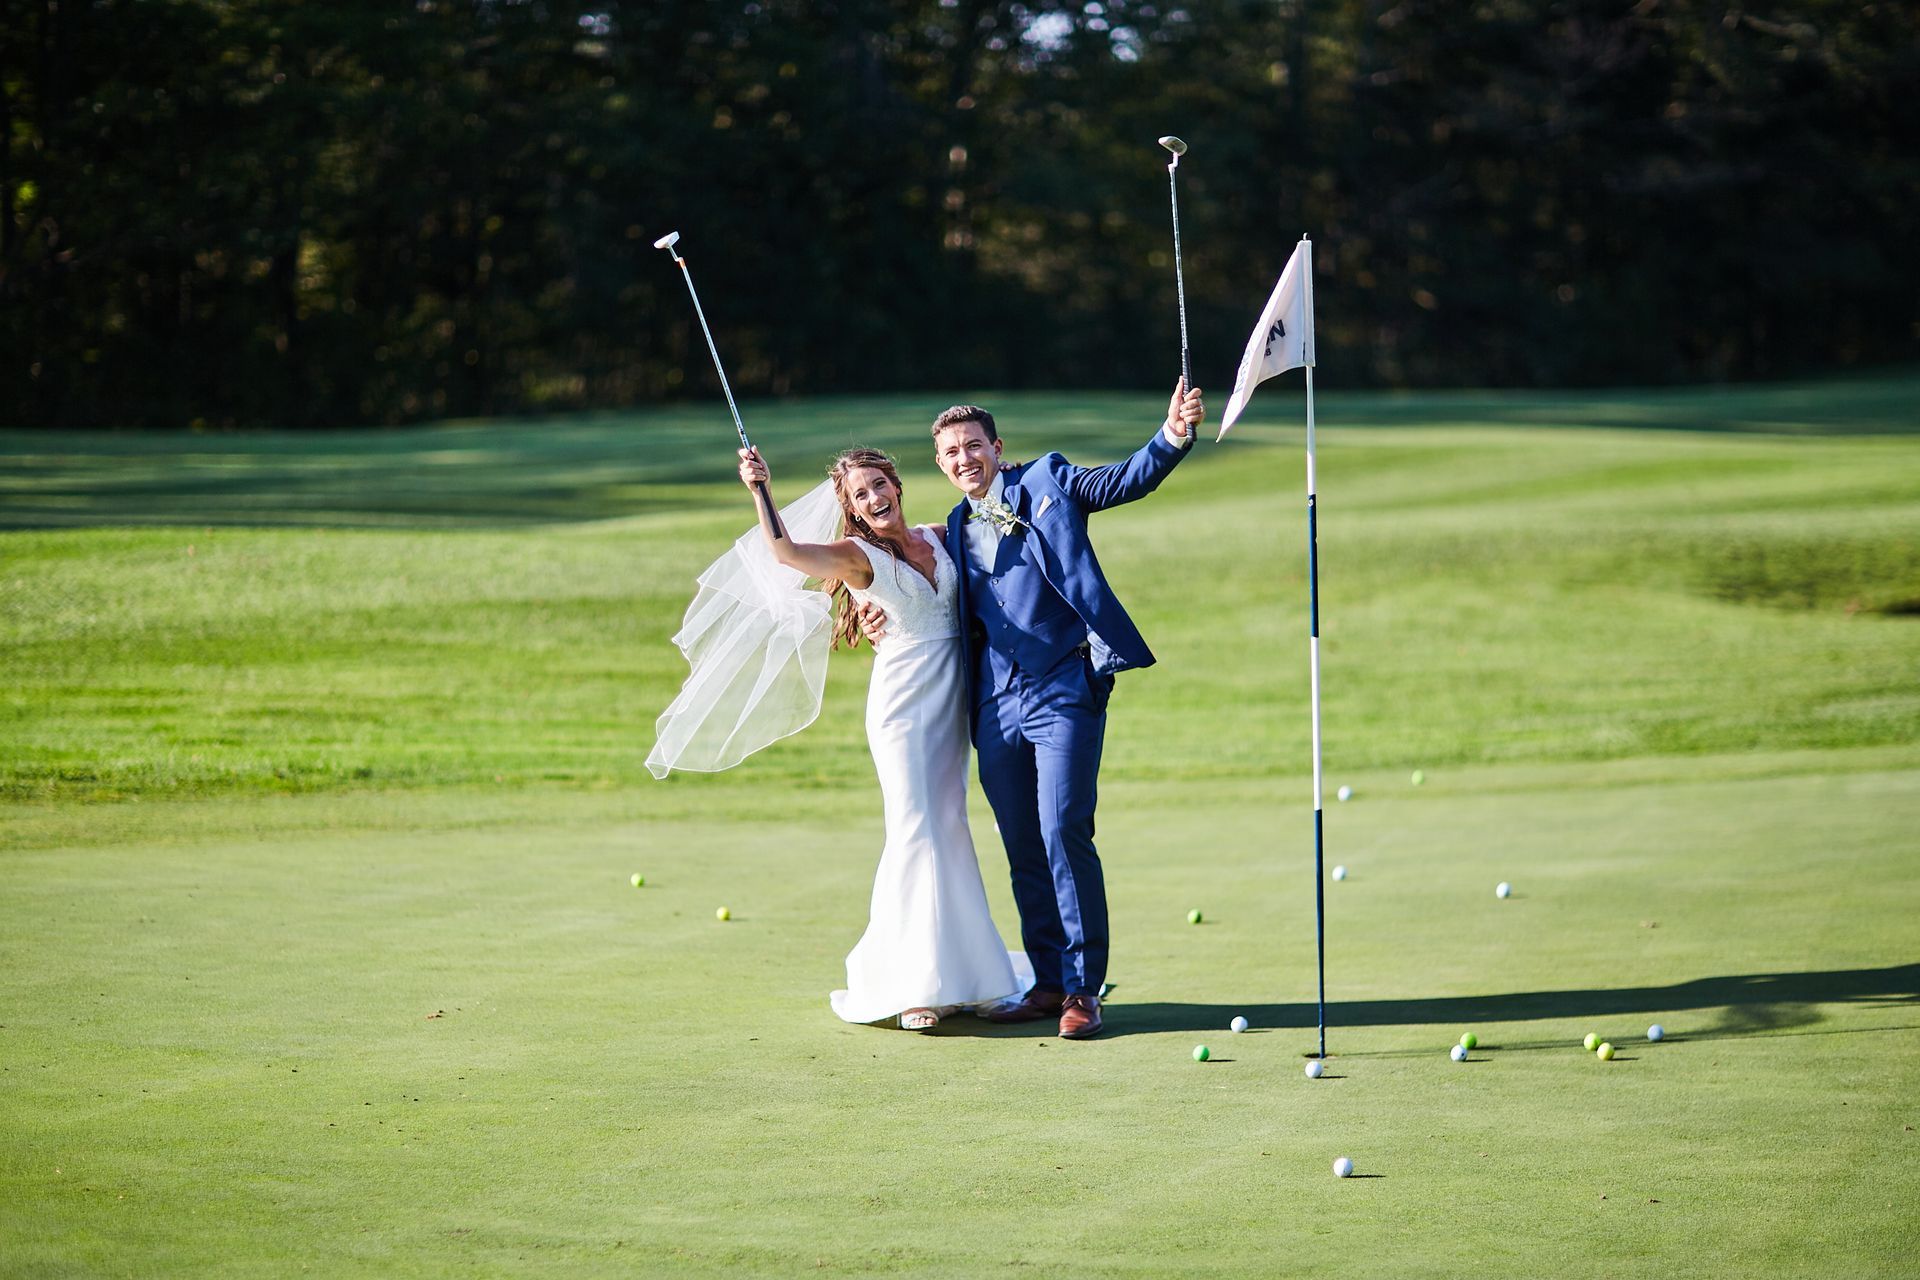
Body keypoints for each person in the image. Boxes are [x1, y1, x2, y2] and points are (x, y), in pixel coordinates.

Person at [859, 380, 1204, 1039]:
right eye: (951, 452)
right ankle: (1046, 982)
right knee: (1021, 845)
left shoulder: (1049, 480)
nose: (964, 459)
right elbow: (896, 564)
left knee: (1062, 829)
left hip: (1063, 692)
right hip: (993, 707)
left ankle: (1081, 990)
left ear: (997, 448)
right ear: (940, 465)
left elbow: (1122, 481)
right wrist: (874, 610)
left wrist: (1174, 436)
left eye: (974, 446)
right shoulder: (952, 528)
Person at [732, 445, 1023, 1032]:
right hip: (901, 710)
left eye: (878, 485)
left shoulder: (940, 535)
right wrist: (760, 488)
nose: (874, 498)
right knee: (914, 828)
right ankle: (914, 986)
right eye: (860, 494)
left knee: (950, 825)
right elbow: (785, 553)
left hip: (951, 703)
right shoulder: (856, 555)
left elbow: (999, 517)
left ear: (896, 484)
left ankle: (979, 978)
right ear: (854, 509)